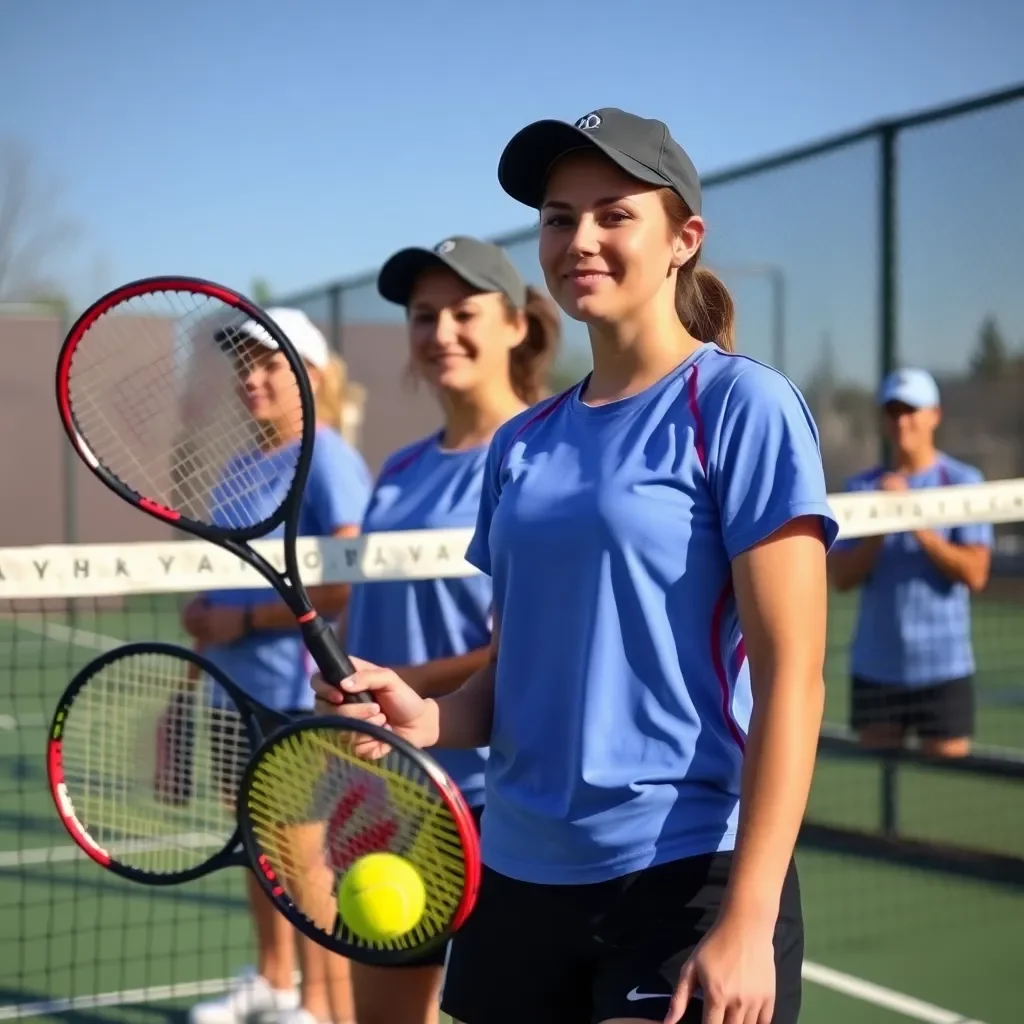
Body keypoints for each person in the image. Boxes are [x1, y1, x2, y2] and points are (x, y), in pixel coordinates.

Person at [313, 107, 838, 1024]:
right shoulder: (523, 445)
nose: (580, 239)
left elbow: (793, 678)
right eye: (560, 218)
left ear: (684, 239)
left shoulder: (744, 407)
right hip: (516, 875)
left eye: (613, 215)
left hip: (681, 872)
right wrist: (431, 716)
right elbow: (519, 669)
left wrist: (749, 916)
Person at [341, 235, 561, 1024]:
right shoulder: (397, 471)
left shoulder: (548, 453)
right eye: (423, 316)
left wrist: (406, 689)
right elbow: (369, 623)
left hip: (502, 803)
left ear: (514, 324)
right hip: (389, 795)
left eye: (464, 313)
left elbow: (541, 646)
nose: (440, 334)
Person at [185, 307, 371, 1024]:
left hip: (295, 696)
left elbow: (343, 584)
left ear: (310, 377)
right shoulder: (240, 464)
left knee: (304, 854)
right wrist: (196, 660)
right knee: (256, 845)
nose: (252, 381)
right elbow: (231, 577)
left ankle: (323, 1009)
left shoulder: (326, 457)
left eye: (269, 366)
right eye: (244, 368)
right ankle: (273, 979)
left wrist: (245, 619)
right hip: (233, 691)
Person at [826, 368, 992, 758]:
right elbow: (843, 578)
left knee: (954, 785)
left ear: (934, 415)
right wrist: (882, 524)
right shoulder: (862, 489)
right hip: (876, 669)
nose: (903, 421)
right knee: (882, 790)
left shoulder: (963, 482)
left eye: (912, 410)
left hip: (944, 668)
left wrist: (915, 520)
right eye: (893, 411)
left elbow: (975, 572)